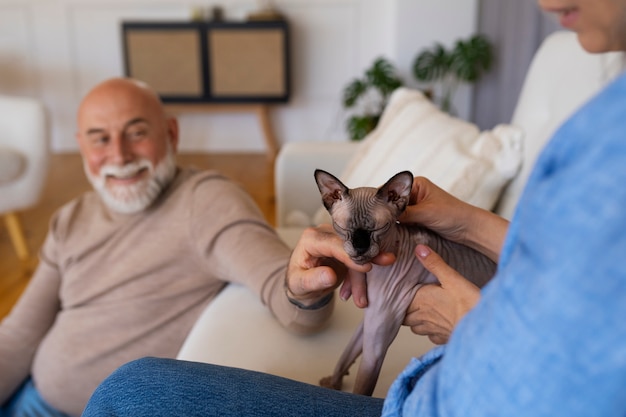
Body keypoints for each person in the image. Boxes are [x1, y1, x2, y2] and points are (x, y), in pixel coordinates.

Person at [82, 0, 626, 415]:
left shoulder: (607, 140)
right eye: (96, 138)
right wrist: (469, 221)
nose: (546, 5)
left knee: (128, 392)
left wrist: (472, 325)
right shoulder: (603, 117)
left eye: (135, 132)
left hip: (448, 396)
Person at [0, 78, 385, 417]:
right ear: (81, 146)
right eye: (100, 138)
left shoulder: (206, 201)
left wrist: (305, 287)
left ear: (171, 133)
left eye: (136, 133)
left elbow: (282, 289)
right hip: (25, 396)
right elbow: (19, 334)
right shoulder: (71, 217)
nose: (118, 155)